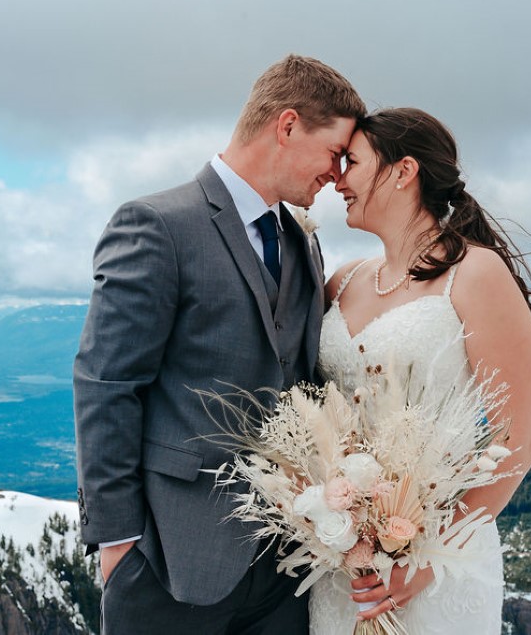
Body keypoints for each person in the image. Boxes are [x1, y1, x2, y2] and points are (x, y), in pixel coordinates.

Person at [73, 54, 366, 634]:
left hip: (285, 567)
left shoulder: (303, 244)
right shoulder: (157, 224)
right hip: (172, 562)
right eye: (334, 153)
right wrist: (118, 545)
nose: (337, 176)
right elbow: (106, 383)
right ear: (286, 126)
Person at [308, 107, 531, 633]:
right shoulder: (344, 280)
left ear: (402, 171)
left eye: (352, 162)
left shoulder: (476, 273)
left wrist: (426, 560)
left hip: (437, 567)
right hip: (343, 562)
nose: (337, 180)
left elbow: (521, 441)